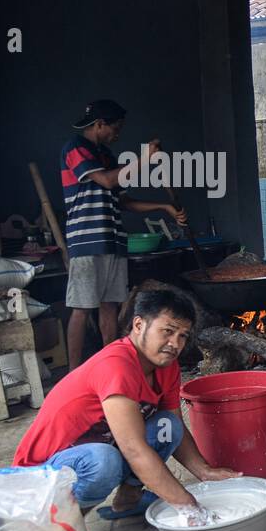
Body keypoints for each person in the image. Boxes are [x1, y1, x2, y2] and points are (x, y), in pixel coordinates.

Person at [13, 289, 240, 519]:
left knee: (167, 425)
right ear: (139, 325)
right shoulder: (116, 365)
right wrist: (189, 507)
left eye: (183, 336)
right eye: (168, 331)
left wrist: (204, 471)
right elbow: (133, 449)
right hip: (41, 473)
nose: (175, 343)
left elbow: (173, 428)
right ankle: (60, 522)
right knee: (103, 461)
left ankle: (129, 499)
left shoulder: (166, 367)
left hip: (96, 449)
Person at [62, 99, 189, 368]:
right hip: (86, 241)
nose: (117, 134)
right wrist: (146, 158)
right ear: (99, 125)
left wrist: (163, 206)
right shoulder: (75, 148)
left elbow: (124, 201)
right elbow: (107, 180)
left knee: (110, 306)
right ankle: (73, 373)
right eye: (115, 128)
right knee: (83, 308)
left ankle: (111, 365)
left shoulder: (107, 156)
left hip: (113, 241)